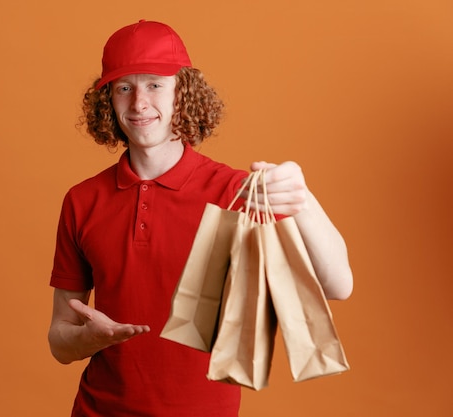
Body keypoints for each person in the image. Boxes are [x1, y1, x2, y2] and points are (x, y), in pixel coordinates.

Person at [48, 20, 353, 417]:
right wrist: (89, 339)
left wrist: (304, 201)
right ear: (108, 99)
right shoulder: (82, 200)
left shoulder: (234, 192)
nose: (139, 103)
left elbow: (338, 285)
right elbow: (59, 339)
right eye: (124, 87)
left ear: (184, 93)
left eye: (155, 84)